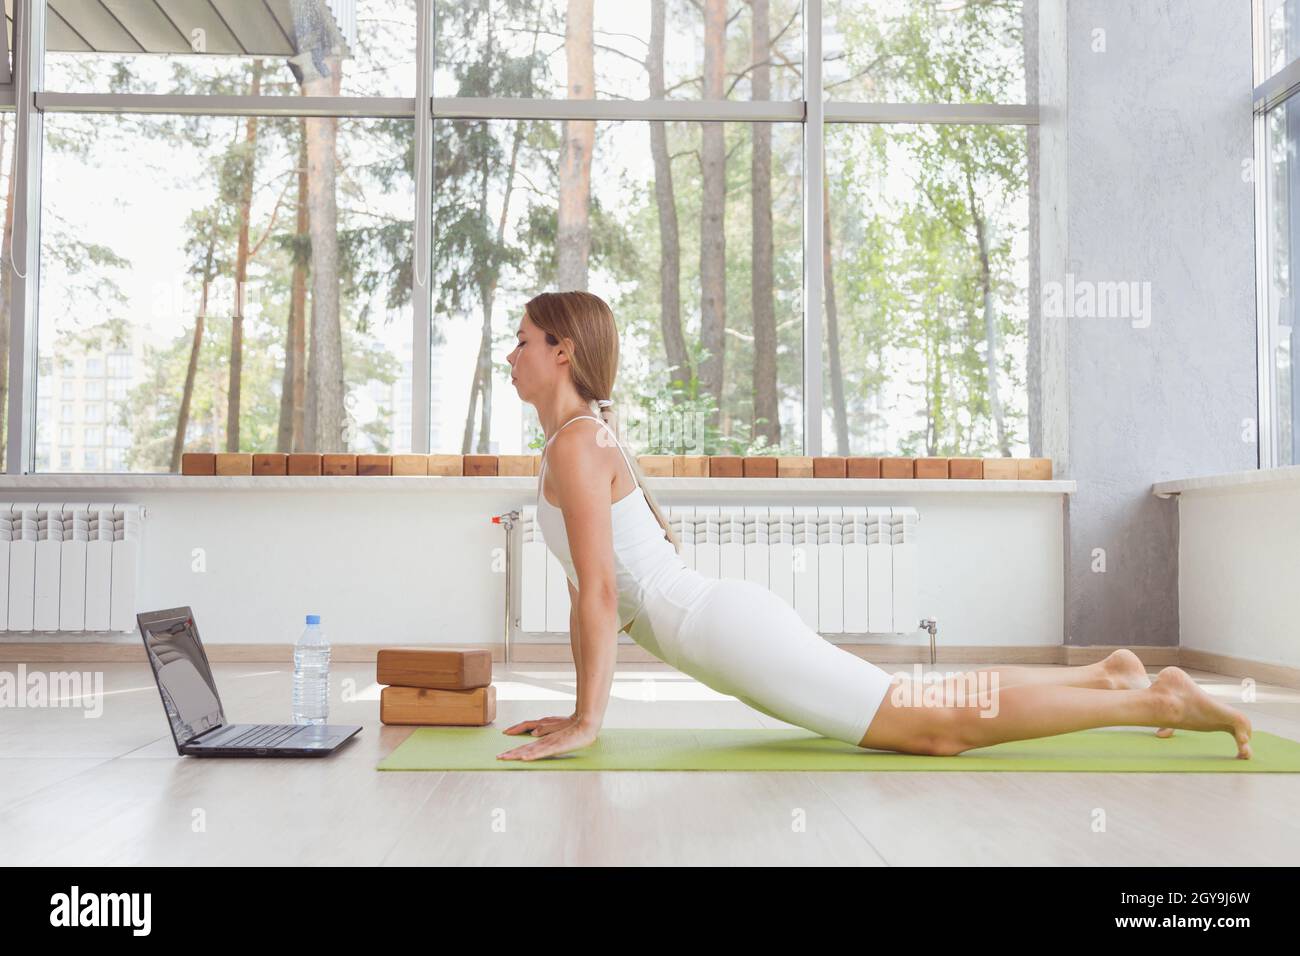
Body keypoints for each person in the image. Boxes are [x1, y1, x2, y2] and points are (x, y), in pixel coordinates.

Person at [498, 290, 1252, 762]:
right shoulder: (574, 443)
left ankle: (1156, 700)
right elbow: (586, 593)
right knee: (924, 708)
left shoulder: (578, 444)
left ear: (562, 352)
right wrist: (578, 709)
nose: (512, 353)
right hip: (720, 627)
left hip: (725, 632)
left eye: (524, 339)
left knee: (934, 728)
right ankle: (1107, 675)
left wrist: (590, 722)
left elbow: (600, 593)